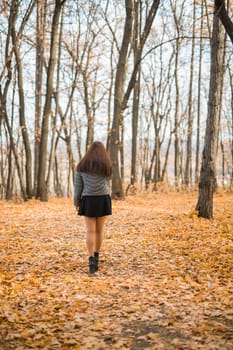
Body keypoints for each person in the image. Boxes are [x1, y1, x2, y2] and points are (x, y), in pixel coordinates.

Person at [73, 141, 112, 274]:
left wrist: (76, 202)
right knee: (99, 231)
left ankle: (90, 261)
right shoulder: (106, 165)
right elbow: (107, 183)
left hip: (88, 199)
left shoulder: (82, 166)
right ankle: (96, 257)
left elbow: (77, 186)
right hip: (103, 198)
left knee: (90, 231)